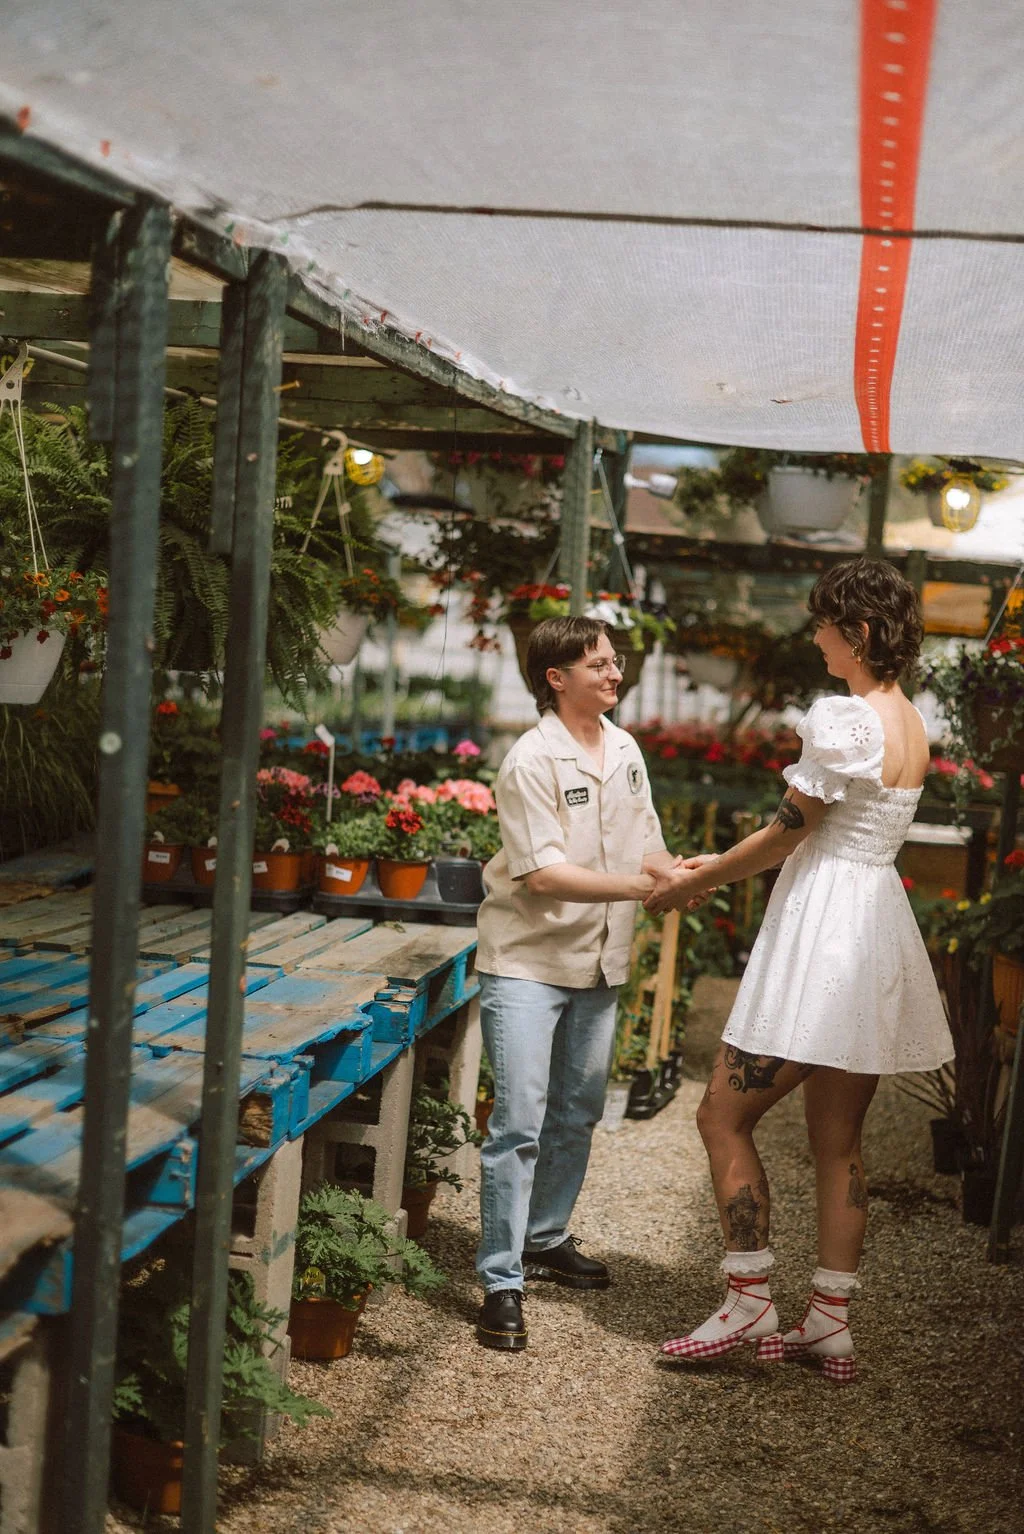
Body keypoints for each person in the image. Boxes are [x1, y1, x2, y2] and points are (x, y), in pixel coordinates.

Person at [644, 557, 954, 1383]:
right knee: (838, 1141)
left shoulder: (846, 717)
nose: (815, 638)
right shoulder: (910, 721)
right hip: (875, 925)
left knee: (721, 1115)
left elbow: (789, 832)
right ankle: (829, 1323)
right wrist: (719, 864)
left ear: (857, 632)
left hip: (824, 933)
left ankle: (747, 1300)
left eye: (823, 624)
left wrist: (699, 880)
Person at [473, 615, 685, 1351]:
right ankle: (501, 1281)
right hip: (528, 963)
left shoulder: (624, 748)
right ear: (556, 679)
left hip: (598, 962)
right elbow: (542, 875)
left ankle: (544, 1235)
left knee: (579, 1110)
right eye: (598, 664)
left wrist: (680, 874)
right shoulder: (530, 760)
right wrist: (641, 888)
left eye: (615, 661)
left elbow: (646, 840)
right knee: (518, 1122)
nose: (615, 673)